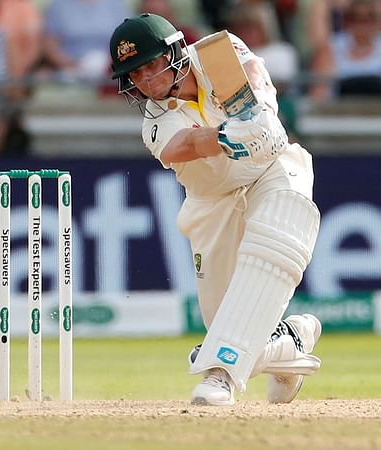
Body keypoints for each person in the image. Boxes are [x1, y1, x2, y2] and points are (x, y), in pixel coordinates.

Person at [109, 13, 323, 406]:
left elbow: (253, 70)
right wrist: (227, 135)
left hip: (270, 171)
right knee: (229, 327)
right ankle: (289, 343)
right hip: (213, 204)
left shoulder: (214, 54)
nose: (144, 82)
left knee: (282, 227)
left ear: (174, 52)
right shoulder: (154, 122)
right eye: (134, 75)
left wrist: (259, 112)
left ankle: (220, 375)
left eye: (150, 66)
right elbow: (183, 147)